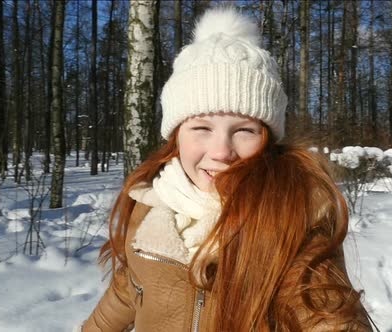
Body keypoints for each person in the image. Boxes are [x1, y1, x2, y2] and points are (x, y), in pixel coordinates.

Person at [80, 7, 373, 332]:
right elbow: (130, 288)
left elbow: (327, 312)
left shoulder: (294, 216)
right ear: (176, 136)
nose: (221, 152)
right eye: (201, 128)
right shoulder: (151, 205)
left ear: (267, 139)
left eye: (244, 130)